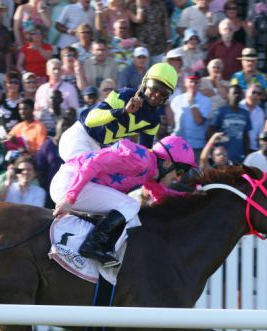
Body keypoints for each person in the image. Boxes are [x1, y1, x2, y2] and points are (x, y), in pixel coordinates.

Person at [50, 135, 197, 266]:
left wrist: (194, 196)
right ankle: (93, 245)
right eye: (180, 171)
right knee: (130, 204)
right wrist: (70, 197)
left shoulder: (150, 172)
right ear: (166, 164)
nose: (178, 178)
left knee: (127, 208)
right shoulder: (142, 160)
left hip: (76, 185)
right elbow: (92, 164)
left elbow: (162, 197)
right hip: (69, 183)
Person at [58, 62, 178, 162]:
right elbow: (90, 120)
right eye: (155, 87)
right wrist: (123, 111)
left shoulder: (154, 119)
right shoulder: (124, 95)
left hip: (99, 148)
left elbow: (145, 153)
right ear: (145, 84)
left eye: (164, 92)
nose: (157, 94)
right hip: (79, 137)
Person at [168, 72, 213, 159]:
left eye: (196, 82)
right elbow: (172, 122)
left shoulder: (206, 100)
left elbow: (199, 121)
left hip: (196, 145)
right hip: (178, 144)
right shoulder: (177, 100)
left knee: (196, 172)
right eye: (191, 81)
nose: (193, 84)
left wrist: (192, 103)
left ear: (199, 83)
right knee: (177, 172)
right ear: (185, 82)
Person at [207, 84, 251, 164]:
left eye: (239, 93)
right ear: (228, 95)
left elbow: (246, 137)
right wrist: (211, 152)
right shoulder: (220, 112)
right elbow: (210, 132)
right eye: (234, 93)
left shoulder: (245, 114)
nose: (236, 95)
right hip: (222, 158)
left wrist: (247, 155)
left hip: (238, 157)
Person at [36, 115, 74, 208]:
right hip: (49, 191)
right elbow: (38, 168)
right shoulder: (48, 145)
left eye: (69, 126)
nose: (66, 128)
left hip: (68, 193)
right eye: (63, 125)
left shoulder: (73, 146)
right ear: (57, 127)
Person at [128, 0, 170, 65]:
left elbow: (165, 23)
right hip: (142, 47)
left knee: (159, 72)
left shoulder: (159, 4)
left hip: (159, 46)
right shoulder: (133, 6)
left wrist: (169, 41)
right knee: (143, 73)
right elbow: (132, 26)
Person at [0, 71, 23, 141]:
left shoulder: (22, 101)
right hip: (1, 139)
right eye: (10, 82)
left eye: (16, 82)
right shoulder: (0, 98)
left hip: (17, 139)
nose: (13, 85)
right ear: (5, 84)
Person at [239, 84, 265, 152]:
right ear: (246, 93)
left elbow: (260, 133)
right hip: (238, 147)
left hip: (253, 148)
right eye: (253, 92)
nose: (256, 95)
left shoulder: (260, 112)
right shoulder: (238, 107)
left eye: (259, 93)